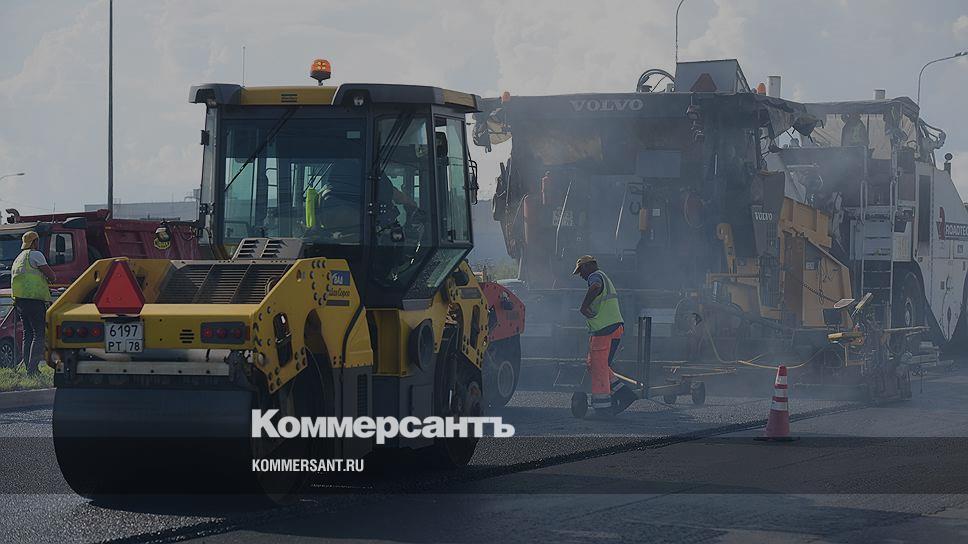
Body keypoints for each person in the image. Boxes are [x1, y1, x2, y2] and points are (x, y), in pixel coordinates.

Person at [574, 255, 637, 416]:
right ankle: (624, 394)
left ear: (588, 266)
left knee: (599, 367)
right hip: (613, 328)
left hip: (604, 330)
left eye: (581, 271)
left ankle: (603, 408)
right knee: (594, 365)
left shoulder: (595, 276)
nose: (581, 275)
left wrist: (584, 307)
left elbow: (595, 286)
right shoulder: (604, 277)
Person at [11, 231, 55, 374]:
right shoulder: (36, 255)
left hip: (20, 301)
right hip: (34, 300)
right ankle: (33, 369)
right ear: (35, 242)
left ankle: (27, 368)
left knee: (27, 334)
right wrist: (50, 279)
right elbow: (51, 275)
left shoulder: (18, 258)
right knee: (39, 334)